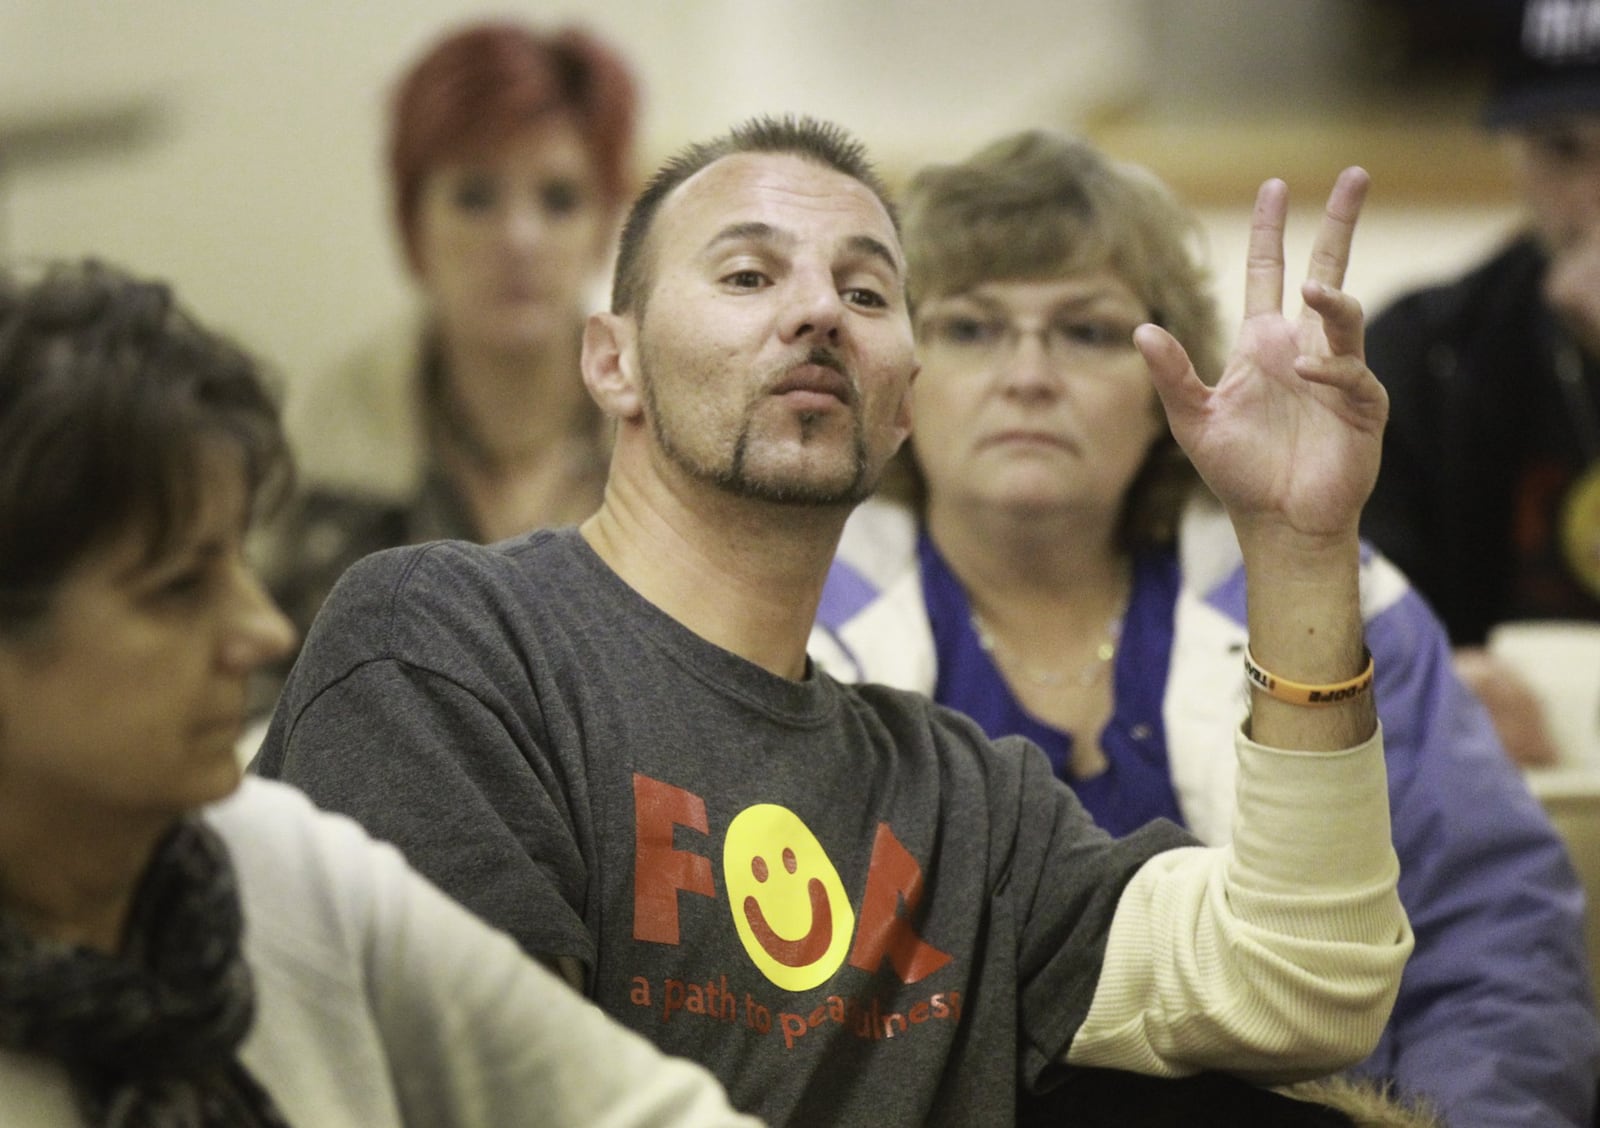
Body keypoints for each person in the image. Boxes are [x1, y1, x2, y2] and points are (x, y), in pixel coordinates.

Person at [255, 115, 1412, 1125]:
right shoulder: (445, 639)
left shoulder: (966, 806)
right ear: (612, 363)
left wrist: (1298, 548)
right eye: (749, 276)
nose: (818, 311)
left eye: (865, 293)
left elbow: (1299, 985)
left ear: (904, 401)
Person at [809, 130, 1599, 1126]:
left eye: (1088, 333)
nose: (1027, 374)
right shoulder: (803, 613)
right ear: (902, 378)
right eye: (970, 329)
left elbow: (1495, 948)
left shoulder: (1328, 586)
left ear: (1166, 388)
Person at [0, 259, 759, 1127]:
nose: (265, 633)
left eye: (238, 564)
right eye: (178, 587)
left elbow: (647, 1112)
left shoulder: (275, 865)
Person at [251, 19, 639, 708]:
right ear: (411, 225)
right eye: (474, 197)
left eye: (558, 199)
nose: (518, 238)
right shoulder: (318, 447)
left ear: (606, 227)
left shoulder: (669, 434)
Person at [1361, 0, 1600, 767]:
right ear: (1515, 159)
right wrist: (1431, 686)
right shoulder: (1424, 355)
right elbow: (1355, 609)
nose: (1597, 195)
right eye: (1564, 151)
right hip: (1509, 799)